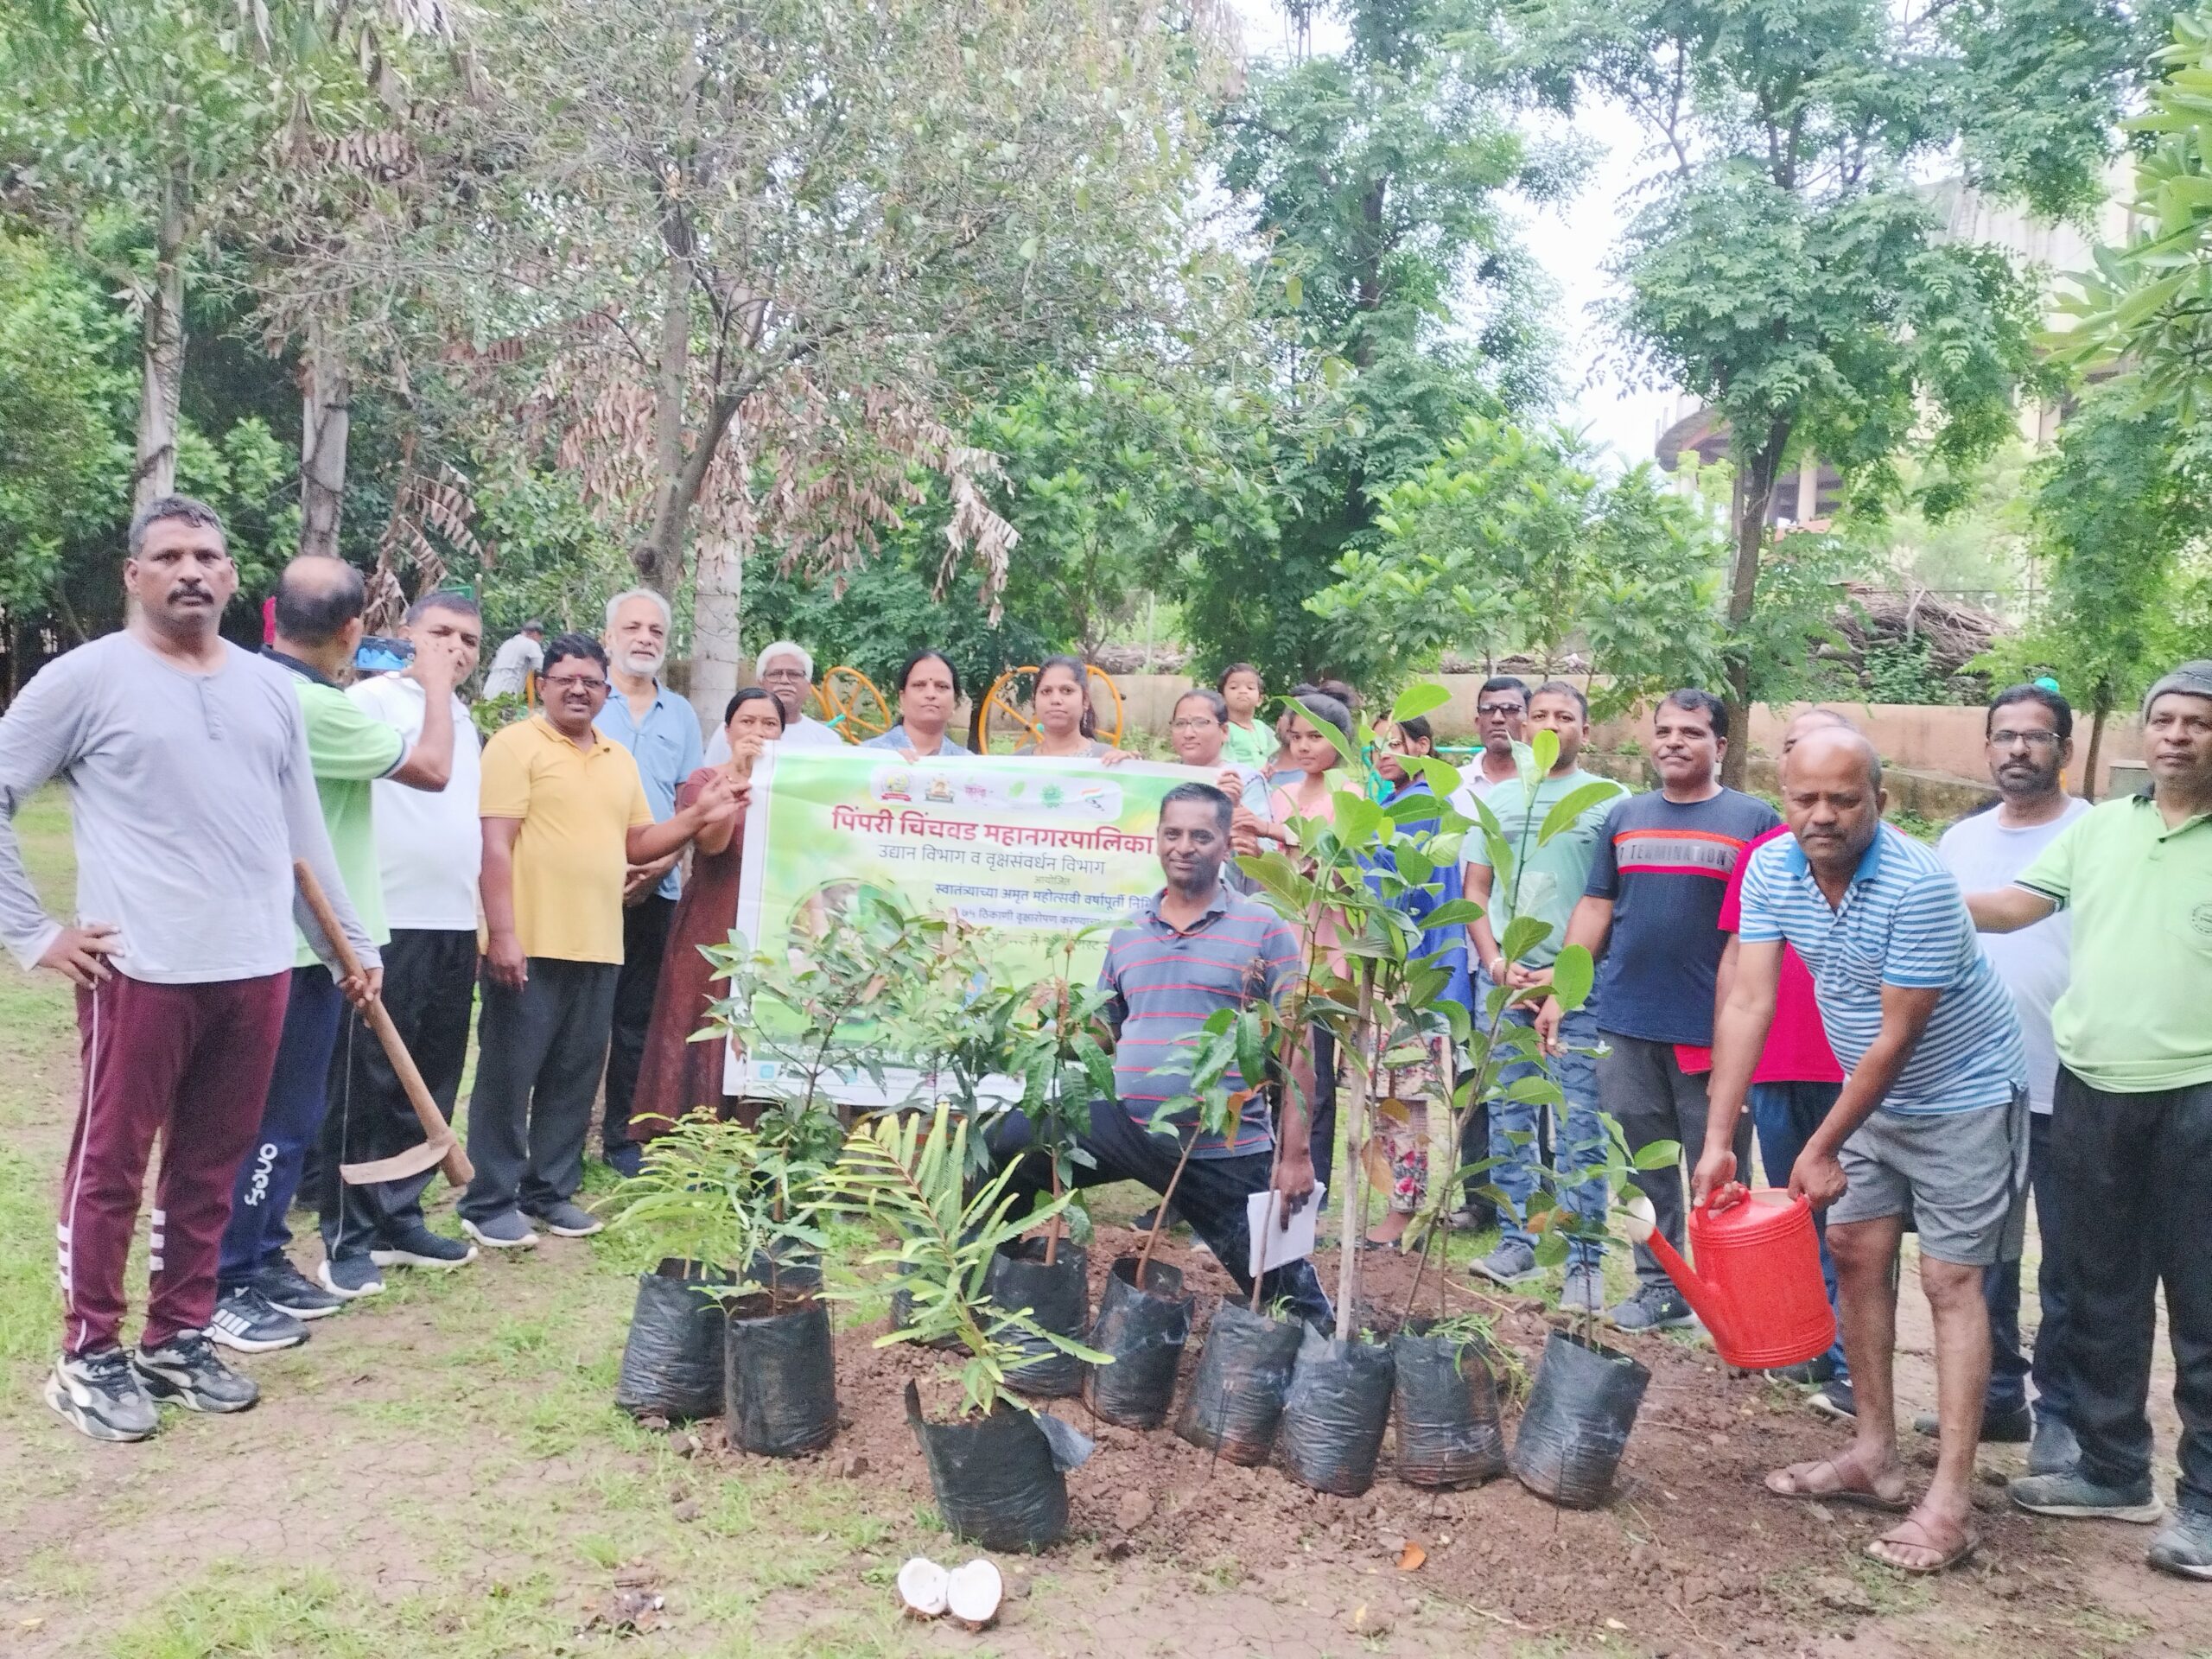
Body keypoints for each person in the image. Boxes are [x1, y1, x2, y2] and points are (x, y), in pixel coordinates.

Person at [0, 496, 375, 1440]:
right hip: (141, 967)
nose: (190, 572)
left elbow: (300, 838)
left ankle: (178, 1334)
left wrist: (349, 945)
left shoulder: (267, 691)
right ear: (135, 575)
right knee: (111, 1166)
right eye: (167, 556)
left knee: (213, 1163)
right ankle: (89, 1355)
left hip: (255, 969)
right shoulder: (84, 680)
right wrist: (33, 933)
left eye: (206, 555)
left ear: (231, 575)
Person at [1693, 728, 2028, 1575]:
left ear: (1879, 798)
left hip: (1963, 1095)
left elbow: (1896, 1037)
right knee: (1852, 1246)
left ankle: (1948, 1502)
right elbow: (1747, 1004)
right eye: (1805, 798)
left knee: (1950, 1280)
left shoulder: (1918, 884)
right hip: (1867, 1093)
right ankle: (1872, 1454)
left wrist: (1819, 1144)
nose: (1823, 815)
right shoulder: (1771, 867)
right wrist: (1717, 1138)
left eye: (1844, 798)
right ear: (1784, 794)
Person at [1970, 661, 2212, 1583]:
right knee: (2095, 1285)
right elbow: (2008, 906)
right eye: (2165, 719)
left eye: (2196, 721)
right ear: (2143, 733)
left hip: (2197, 1094)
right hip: (2092, 1088)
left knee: (2201, 1301)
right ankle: (2112, 1470)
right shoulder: (2102, 832)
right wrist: (1904, 897)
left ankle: (2206, 1501)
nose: (2177, 735)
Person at [209, 555, 463, 1354]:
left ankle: (259, 1256)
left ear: (269, 616)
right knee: (271, 1120)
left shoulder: (264, 688)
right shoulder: (309, 706)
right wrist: (438, 686)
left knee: (289, 1117)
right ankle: (228, 1278)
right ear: (355, 630)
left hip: (306, 938)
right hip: (290, 942)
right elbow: (430, 767)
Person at [990, 783, 1332, 1328]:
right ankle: (980, 1274)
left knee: (1284, 1292)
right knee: (1010, 1140)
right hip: (1130, 1126)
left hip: (1218, 1145)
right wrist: (1063, 1028)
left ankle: (1328, 1355)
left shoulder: (1265, 930)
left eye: (1201, 835)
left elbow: (1296, 1050)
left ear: (1226, 845)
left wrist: (1295, 1157)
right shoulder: (1129, 932)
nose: (1184, 846)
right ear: (1157, 840)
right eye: (1172, 833)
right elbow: (1107, 1027)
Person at [461, 632, 740, 1248]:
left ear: (607, 692)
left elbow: (638, 843)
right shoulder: (515, 746)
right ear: (543, 686)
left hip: (599, 943)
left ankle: (550, 1192)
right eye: (566, 680)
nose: (579, 690)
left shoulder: (618, 758)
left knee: (574, 1074)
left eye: (591, 682)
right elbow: (494, 844)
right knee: (510, 1075)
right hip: (529, 941)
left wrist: (695, 819)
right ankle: (489, 1202)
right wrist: (501, 934)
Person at [1539, 689, 1774, 1332]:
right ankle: (1659, 1287)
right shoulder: (1626, 816)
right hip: (1626, 1021)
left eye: (1691, 732)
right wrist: (1563, 991)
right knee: (1643, 1165)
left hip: (1712, 1030)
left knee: (1717, 1166)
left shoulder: (1754, 820)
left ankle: (1729, 1298)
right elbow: (1595, 908)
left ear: (1720, 746)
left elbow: (1763, 934)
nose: (1674, 741)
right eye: (1664, 729)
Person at [1921, 684, 2090, 1471]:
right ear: (1986, 747)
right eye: (2005, 736)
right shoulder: (1958, 842)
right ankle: (1992, 1400)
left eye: (2036, 737)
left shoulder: (2096, 835)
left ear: (2066, 747)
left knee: (2074, 1260)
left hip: (2078, 1081)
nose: (2018, 749)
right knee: (1981, 1255)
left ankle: (2064, 1417)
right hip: (1977, 1086)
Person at [316, 592, 488, 1298]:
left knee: (432, 1079)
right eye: (441, 633)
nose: (456, 649)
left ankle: (399, 1216)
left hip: (451, 921)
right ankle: (346, 1234)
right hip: (385, 920)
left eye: (470, 641)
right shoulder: (370, 703)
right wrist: (436, 690)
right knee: (366, 1081)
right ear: (408, 636)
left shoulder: (468, 721)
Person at [1463, 682, 1626, 1310]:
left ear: (1586, 730)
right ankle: (1517, 1242)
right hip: (1504, 986)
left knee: (1579, 1121)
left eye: (1566, 716)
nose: (1551, 725)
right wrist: (1495, 961)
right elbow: (1475, 891)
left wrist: (1564, 974)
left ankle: (1584, 1258)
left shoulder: (1608, 803)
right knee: (1510, 1116)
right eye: (1540, 716)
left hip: (1576, 989)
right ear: (1524, 728)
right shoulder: (1498, 801)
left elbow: (1609, 900)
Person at [1714, 707, 1858, 1404]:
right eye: (1798, 755)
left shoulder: (1877, 865)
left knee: (1854, 1222)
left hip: (1849, 1071)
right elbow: (1739, 974)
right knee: (1793, 1215)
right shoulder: (1763, 860)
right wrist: (1726, 1071)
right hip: (1775, 1063)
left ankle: (1853, 1361)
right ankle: (1810, 1346)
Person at [629, 688, 784, 1136]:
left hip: (768, 926)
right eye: (748, 722)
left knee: (756, 1029)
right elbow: (712, 844)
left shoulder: (794, 789)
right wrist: (738, 773)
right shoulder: (704, 780)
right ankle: (690, 1139)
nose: (758, 731)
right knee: (703, 1020)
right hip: (713, 919)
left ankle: (752, 1141)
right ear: (729, 729)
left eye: (769, 724)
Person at [592, 589, 704, 1179]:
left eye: (656, 631)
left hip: (654, 890)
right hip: (586, 891)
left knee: (635, 1021)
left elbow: (689, 803)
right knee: (579, 1021)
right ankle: (556, 1139)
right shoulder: (587, 701)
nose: (644, 639)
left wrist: (658, 867)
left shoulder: (681, 716)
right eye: (632, 628)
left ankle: (622, 1139)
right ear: (609, 636)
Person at [1236, 690, 1357, 1191]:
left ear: (1339, 741)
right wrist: (1249, 849)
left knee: (1315, 1077)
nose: (1303, 747)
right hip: (1280, 949)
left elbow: (1339, 868)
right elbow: (1276, 877)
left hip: (1326, 955)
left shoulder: (1350, 796)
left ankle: (1315, 1182)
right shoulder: (1285, 794)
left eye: (1316, 737)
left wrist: (1268, 830)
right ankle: (1268, 1174)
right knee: (1270, 1070)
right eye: (1297, 736)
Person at [1362, 715, 1474, 1246]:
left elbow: (1431, 898)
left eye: (1395, 743)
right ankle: (1395, 1201)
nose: (1384, 753)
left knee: (1406, 1098)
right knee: (1380, 1095)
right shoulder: (1388, 806)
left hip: (1413, 976)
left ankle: (1405, 1211)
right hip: (1384, 973)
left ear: (1422, 747)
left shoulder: (1427, 808)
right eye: (1377, 744)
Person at [1014, 655, 1133, 761]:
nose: (1055, 700)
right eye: (1046, 691)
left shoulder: (1107, 759)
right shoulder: (1017, 764)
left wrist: (1132, 769)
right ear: (1034, 701)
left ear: (1085, 700)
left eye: (1067, 691)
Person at [863, 648, 972, 758]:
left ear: (955, 700)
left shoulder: (969, 766)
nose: (931, 694)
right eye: (919, 685)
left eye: (942, 686)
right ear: (902, 698)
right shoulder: (866, 755)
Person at [1448, 676, 1529, 819]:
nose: (1497, 718)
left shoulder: (1546, 782)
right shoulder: (1452, 785)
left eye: (1510, 709)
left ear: (1528, 721)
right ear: (1478, 722)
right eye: (1488, 709)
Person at [741, 640, 843, 750]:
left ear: (809, 687)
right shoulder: (735, 731)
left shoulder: (828, 740)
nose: (785, 680)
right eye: (775, 674)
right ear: (761, 684)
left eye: (794, 674)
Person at [1218, 663, 1274, 770]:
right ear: (1222, 698)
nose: (1243, 691)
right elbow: (1226, 764)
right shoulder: (1223, 730)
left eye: (1250, 687)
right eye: (1234, 687)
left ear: (1260, 700)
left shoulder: (1263, 728)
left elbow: (1275, 758)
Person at [482, 620, 544, 699]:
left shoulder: (507, 644)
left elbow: (491, 667)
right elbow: (542, 668)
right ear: (536, 634)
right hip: (507, 693)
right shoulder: (531, 644)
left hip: (488, 690)